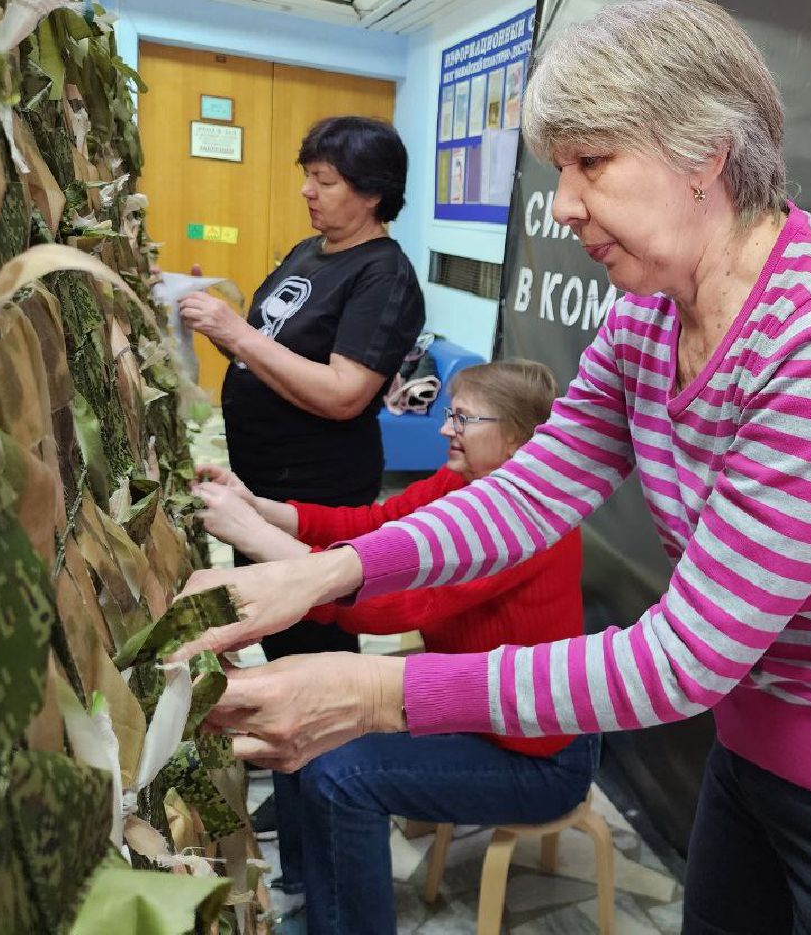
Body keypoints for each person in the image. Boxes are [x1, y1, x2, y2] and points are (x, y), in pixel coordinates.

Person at [179, 0, 811, 934]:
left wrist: (379, 693)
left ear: (706, 154)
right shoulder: (649, 310)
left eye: (591, 162)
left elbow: (689, 655)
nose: (564, 203)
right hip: (754, 763)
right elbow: (530, 491)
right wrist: (331, 571)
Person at [194, 361, 595, 934]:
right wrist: (261, 508)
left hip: (536, 755)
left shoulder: (532, 524)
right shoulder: (462, 485)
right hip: (473, 703)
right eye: (449, 413)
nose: (443, 428)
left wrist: (257, 540)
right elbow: (370, 526)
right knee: (295, 703)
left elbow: (390, 608)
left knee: (339, 774)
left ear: (517, 440)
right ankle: (311, 890)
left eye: (462, 417)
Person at [177, 114, 424, 894]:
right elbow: (278, 347)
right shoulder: (307, 253)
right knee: (278, 644)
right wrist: (215, 326)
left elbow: (346, 393)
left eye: (326, 181)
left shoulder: (384, 276)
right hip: (265, 485)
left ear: (374, 192)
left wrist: (235, 336)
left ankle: (325, 825)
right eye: (307, 176)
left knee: (313, 658)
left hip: (317, 495)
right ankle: (298, 790)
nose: (308, 193)